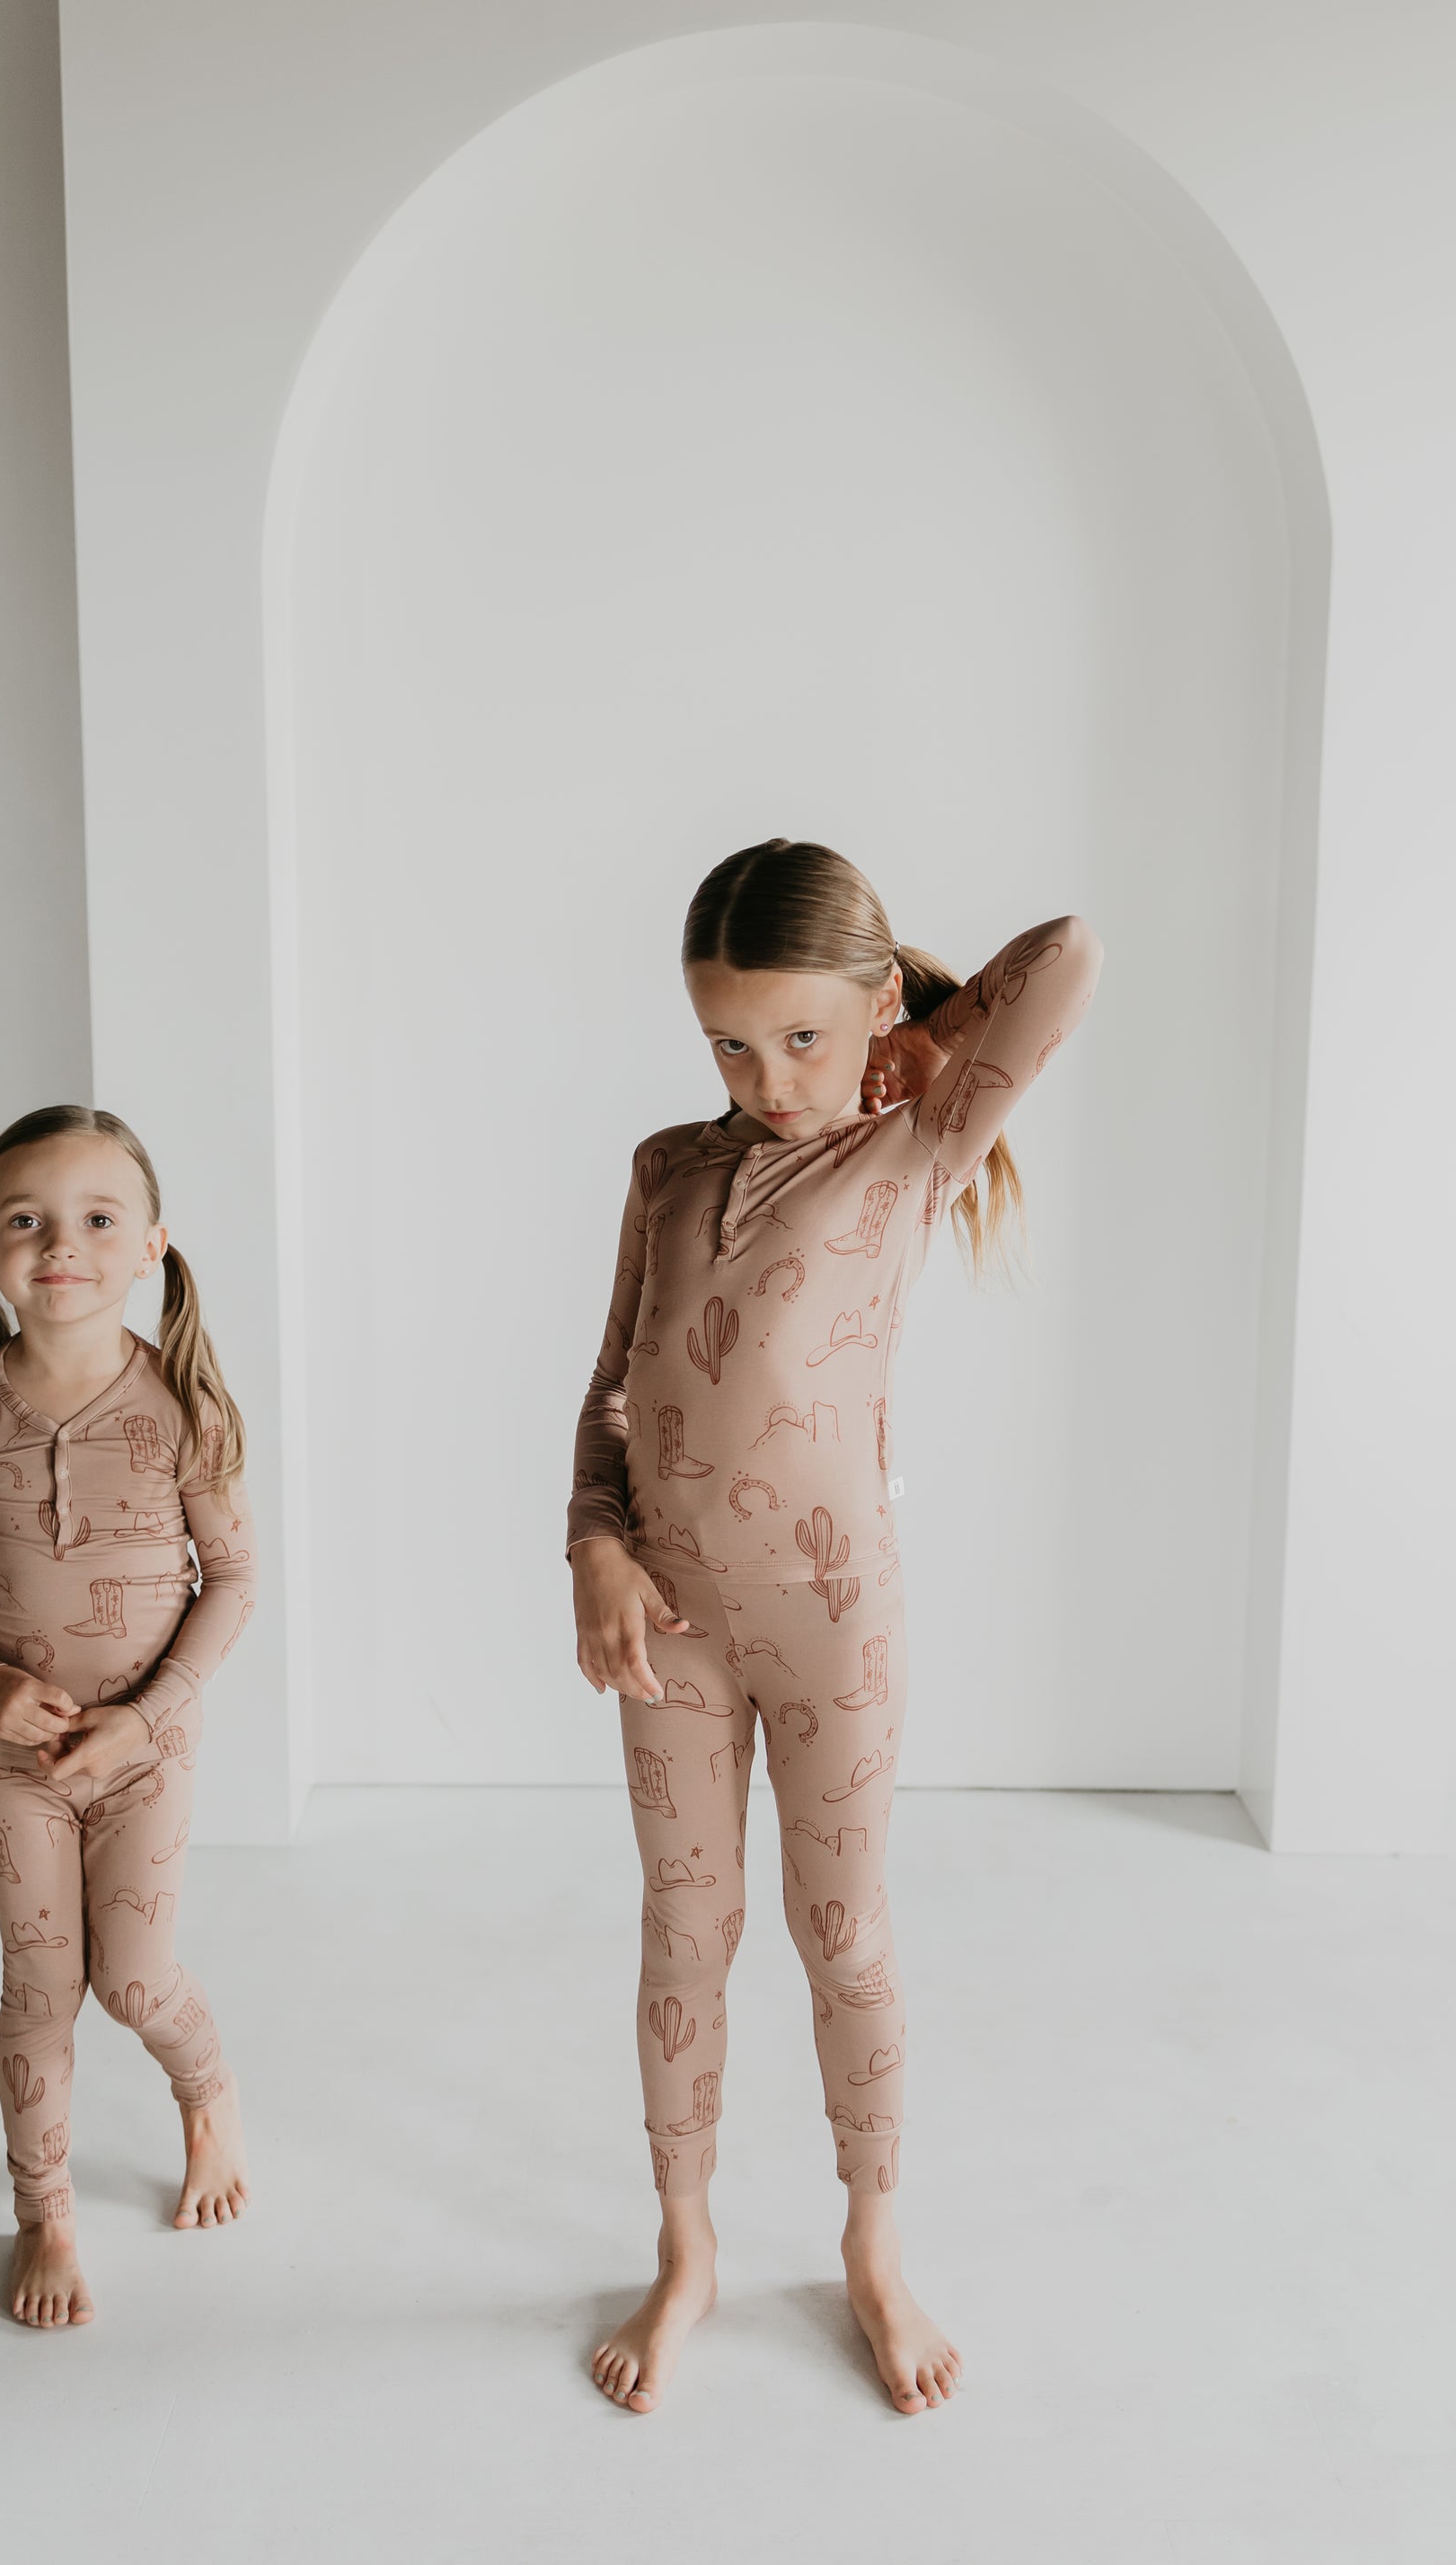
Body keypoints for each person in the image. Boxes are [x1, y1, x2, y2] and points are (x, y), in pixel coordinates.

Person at [569, 837, 1103, 2415]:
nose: (767, 1075)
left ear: (872, 1008)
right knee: (684, 1930)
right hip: (668, 1617)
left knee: (843, 1936)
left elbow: (1069, 950)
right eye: (728, 1040)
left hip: (830, 1617)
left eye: (800, 1035)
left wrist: (912, 1042)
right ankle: (685, 2248)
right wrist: (593, 1547)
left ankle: (871, 2245)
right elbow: (610, 1385)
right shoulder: (666, 1166)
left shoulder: (916, 1139)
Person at [0, 1104, 258, 2328]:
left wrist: (147, 1720)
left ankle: (208, 2096)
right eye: (27, 1221)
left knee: (134, 1984)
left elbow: (235, 1580)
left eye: (97, 1218)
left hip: (147, 1753)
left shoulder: (184, 1405)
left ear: (151, 1246)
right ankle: (44, 2210)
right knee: (39, 1991)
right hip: (14, 1756)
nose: (61, 1244)